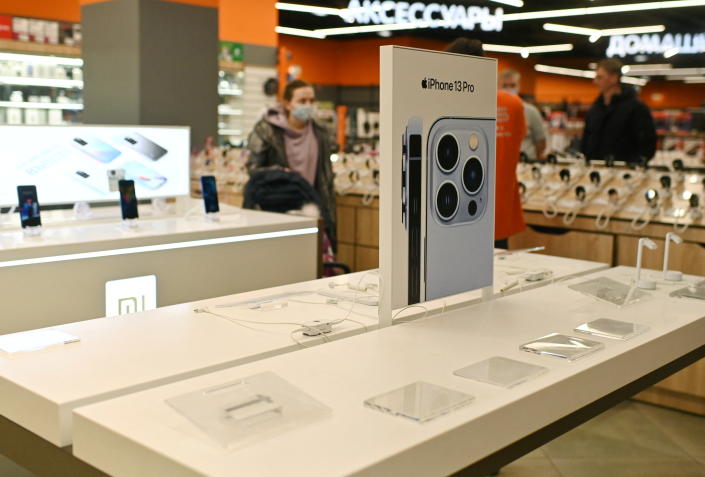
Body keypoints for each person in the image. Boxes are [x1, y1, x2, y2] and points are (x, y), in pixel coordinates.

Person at [445, 38, 527, 250]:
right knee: (497, 274)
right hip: (498, 208)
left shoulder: (447, 102)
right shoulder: (513, 105)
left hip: (454, 208)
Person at [246, 79, 337, 249]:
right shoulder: (266, 130)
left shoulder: (321, 132)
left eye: (311, 100)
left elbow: (326, 178)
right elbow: (253, 169)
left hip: (312, 208)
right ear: (287, 104)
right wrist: (280, 173)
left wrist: (328, 219)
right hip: (277, 208)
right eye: (302, 101)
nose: (308, 105)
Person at [581, 58, 657, 164]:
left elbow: (647, 144)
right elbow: (587, 138)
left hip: (624, 173)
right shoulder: (595, 108)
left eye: (600, 77)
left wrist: (634, 165)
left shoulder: (636, 108)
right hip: (595, 170)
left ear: (614, 78)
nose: (595, 81)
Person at [499, 69, 547, 161]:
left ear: (519, 86)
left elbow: (541, 142)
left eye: (513, 85)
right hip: (501, 163)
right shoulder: (494, 112)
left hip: (526, 163)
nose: (509, 89)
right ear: (498, 87)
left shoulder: (531, 111)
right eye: (505, 86)